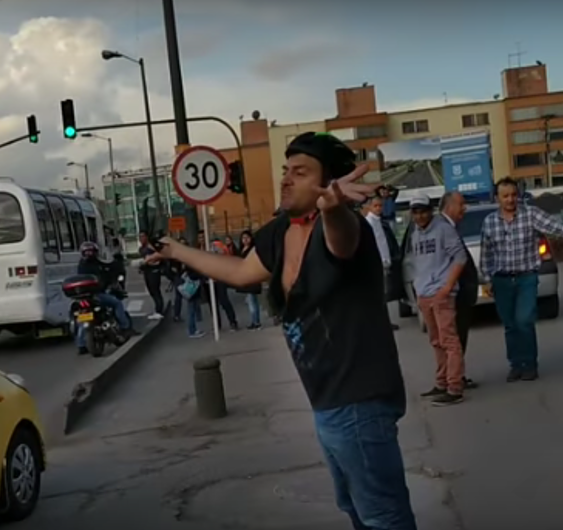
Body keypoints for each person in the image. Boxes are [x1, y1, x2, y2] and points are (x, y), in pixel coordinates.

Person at [147, 132, 416, 529]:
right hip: (327, 402)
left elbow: (340, 240)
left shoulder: (344, 229)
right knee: (358, 511)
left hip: (360, 400)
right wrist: (176, 250)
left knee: (384, 517)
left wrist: (333, 209)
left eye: (301, 171)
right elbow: (240, 272)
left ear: (327, 183)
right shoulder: (280, 232)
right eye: (285, 170)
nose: (286, 179)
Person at [480, 177, 563, 382]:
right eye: (505, 196)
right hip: (501, 280)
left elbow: (555, 227)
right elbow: (486, 254)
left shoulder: (530, 214)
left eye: (513, 195)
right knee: (510, 324)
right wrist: (487, 280)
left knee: (524, 321)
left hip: (526, 278)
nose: (510, 200)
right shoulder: (490, 222)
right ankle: (516, 364)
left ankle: (529, 364)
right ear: (497, 198)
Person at [408, 195, 468, 406]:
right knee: (436, 341)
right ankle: (441, 383)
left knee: (450, 341)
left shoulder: (443, 229)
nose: (420, 215)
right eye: (415, 211)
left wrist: (447, 287)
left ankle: (455, 387)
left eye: (423, 210)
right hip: (424, 294)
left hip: (441, 294)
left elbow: (460, 257)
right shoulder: (415, 234)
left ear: (431, 210)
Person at [439, 191, 478, 389]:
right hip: (452, 293)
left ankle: (456, 376)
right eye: (461, 204)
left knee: (457, 338)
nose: (464, 208)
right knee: (452, 339)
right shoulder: (443, 228)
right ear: (449, 206)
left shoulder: (450, 227)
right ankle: (452, 380)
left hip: (459, 292)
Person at [75, 241, 133, 354]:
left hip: (83, 297)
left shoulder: (81, 265)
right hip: (97, 295)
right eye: (88, 251)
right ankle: (125, 327)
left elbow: (109, 267)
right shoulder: (96, 265)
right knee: (117, 303)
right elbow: (107, 271)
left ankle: (81, 344)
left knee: (82, 318)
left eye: (90, 251)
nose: (89, 253)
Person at [364, 196, 400, 331]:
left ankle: (383, 322)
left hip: (383, 262)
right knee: (379, 295)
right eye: (376, 206)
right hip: (376, 264)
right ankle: (380, 323)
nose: (378, 209)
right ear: (369, 207)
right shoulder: (369, 222)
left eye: (380, 206)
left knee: (383, 295)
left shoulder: (379, 222)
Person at [237, 230, 262, 329]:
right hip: (246, 277)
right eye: (243, 238)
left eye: (247, 237)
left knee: (252, 300)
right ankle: (255, 320)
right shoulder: (242, 249)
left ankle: (256, 322)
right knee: (251, 300)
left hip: (252, 277)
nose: (245, 240)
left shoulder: (253, 249)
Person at [138, 231, 165, 320]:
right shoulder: (141, 249)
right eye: (140, 237)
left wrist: (153, 262)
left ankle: (159, 310)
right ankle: (157, 309)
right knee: (151, 291)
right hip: (147, 271)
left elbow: (160, 256)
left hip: (154, 270)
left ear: (147, 237)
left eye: (143, 236)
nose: (141, 239)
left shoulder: (151, 247)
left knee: (155, 290)